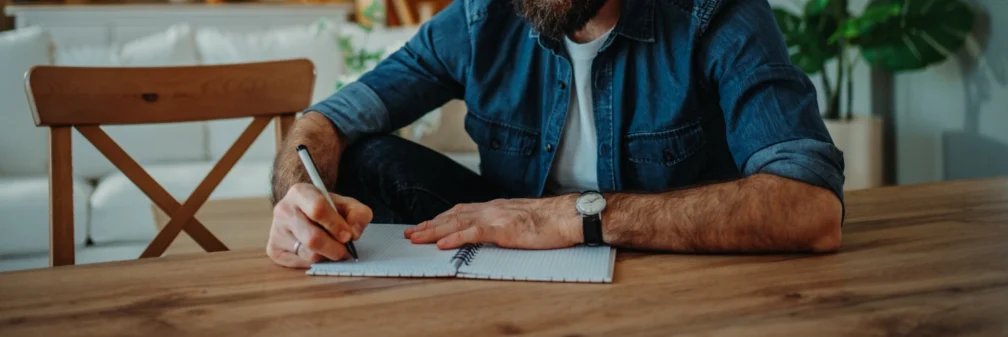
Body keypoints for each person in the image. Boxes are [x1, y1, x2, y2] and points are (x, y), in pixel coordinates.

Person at [265, 0, 846, 268]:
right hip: (506, 277)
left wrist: (571, 217)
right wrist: (298, 202)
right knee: (364, 154)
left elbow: (809, 208)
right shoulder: (480, 18)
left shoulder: (716, 14)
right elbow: (325, 123)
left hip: (675, 278)